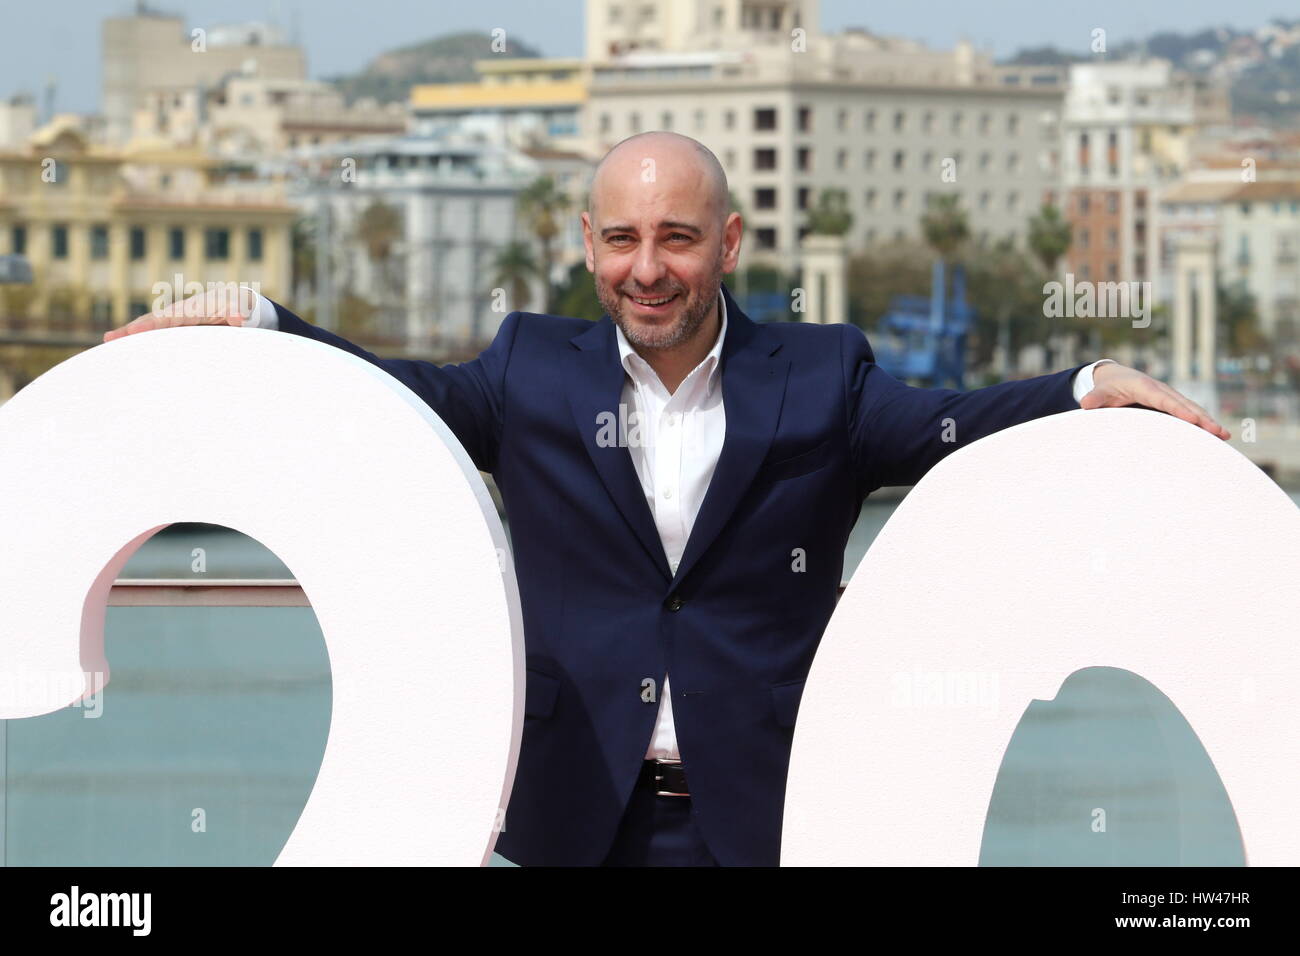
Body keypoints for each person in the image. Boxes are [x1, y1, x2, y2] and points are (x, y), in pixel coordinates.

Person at [104, 131, 1229, 867]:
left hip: (768, 820)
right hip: (569, 814)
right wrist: (257, 321)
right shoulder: (530, 372)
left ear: (726, 243)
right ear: (590, 245)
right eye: (625, 239)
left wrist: (1090, 386)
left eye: (678, 238)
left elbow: (954, 425)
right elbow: (391, 400)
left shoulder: (821, 377)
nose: (649, 267)